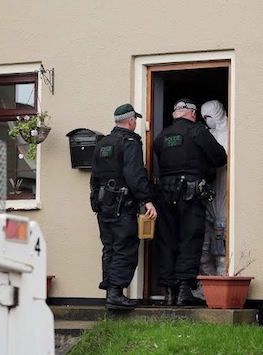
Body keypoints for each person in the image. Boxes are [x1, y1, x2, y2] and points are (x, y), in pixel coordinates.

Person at [153, 98, 227, 307]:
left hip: (165, 195)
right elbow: (220, 157)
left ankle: (168, 292)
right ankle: (184, 290)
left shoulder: (161, 136)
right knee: (190, 239)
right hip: (191, 194)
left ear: (175, 114)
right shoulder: (198, 132)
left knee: (167, 240)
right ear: (193, 114)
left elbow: (160, 156)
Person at [90, 103, 157, 310]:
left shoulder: (102, 143)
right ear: (130, 121)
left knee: (109, 248)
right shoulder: (129, 142)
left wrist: (95, 202)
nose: (135, 123)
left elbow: (95, 177)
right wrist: (147, 200)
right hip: (123, 205)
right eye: (135, 120)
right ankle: (116, 294)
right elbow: (135, 175)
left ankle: (111, 291)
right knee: (125, 248)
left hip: (103, 205)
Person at [199, 100, 228, 276]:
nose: (207, 120)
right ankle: (207, 283)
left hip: (225, 189)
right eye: (204, 118)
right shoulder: (206, 135)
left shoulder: (231, 133)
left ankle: (222, 278)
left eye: (209, 116)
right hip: (209, 191)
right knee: (205, 244)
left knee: (221, 241)